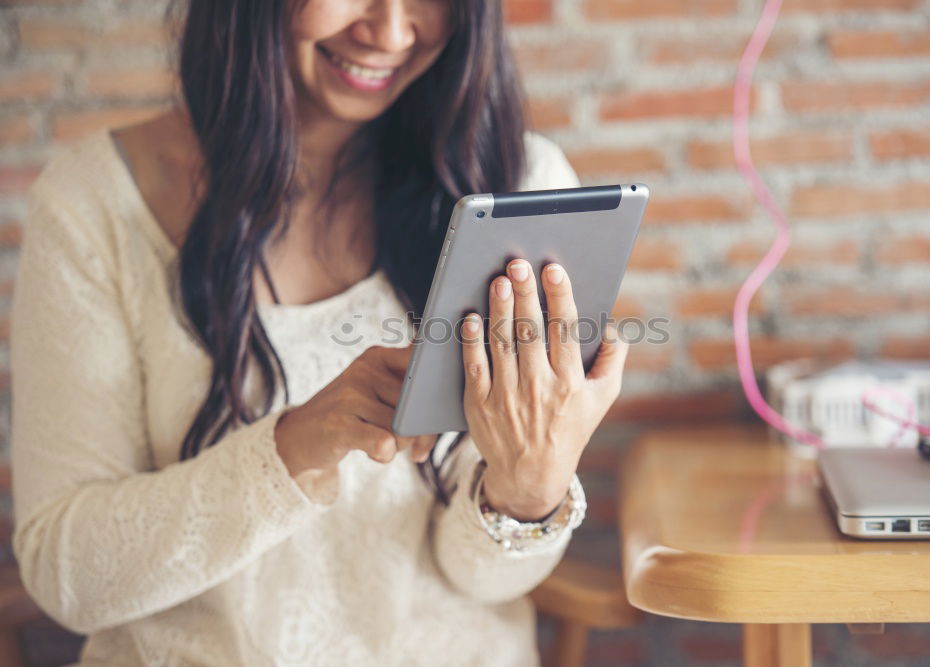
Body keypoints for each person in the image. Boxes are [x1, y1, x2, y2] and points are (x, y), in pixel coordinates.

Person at [10, 1, 628, 665]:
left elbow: (480, 576)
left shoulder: (518, 185)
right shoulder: (94, 206)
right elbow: (66, 576)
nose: (390, 32)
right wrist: (296, 446)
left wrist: (529, 487)